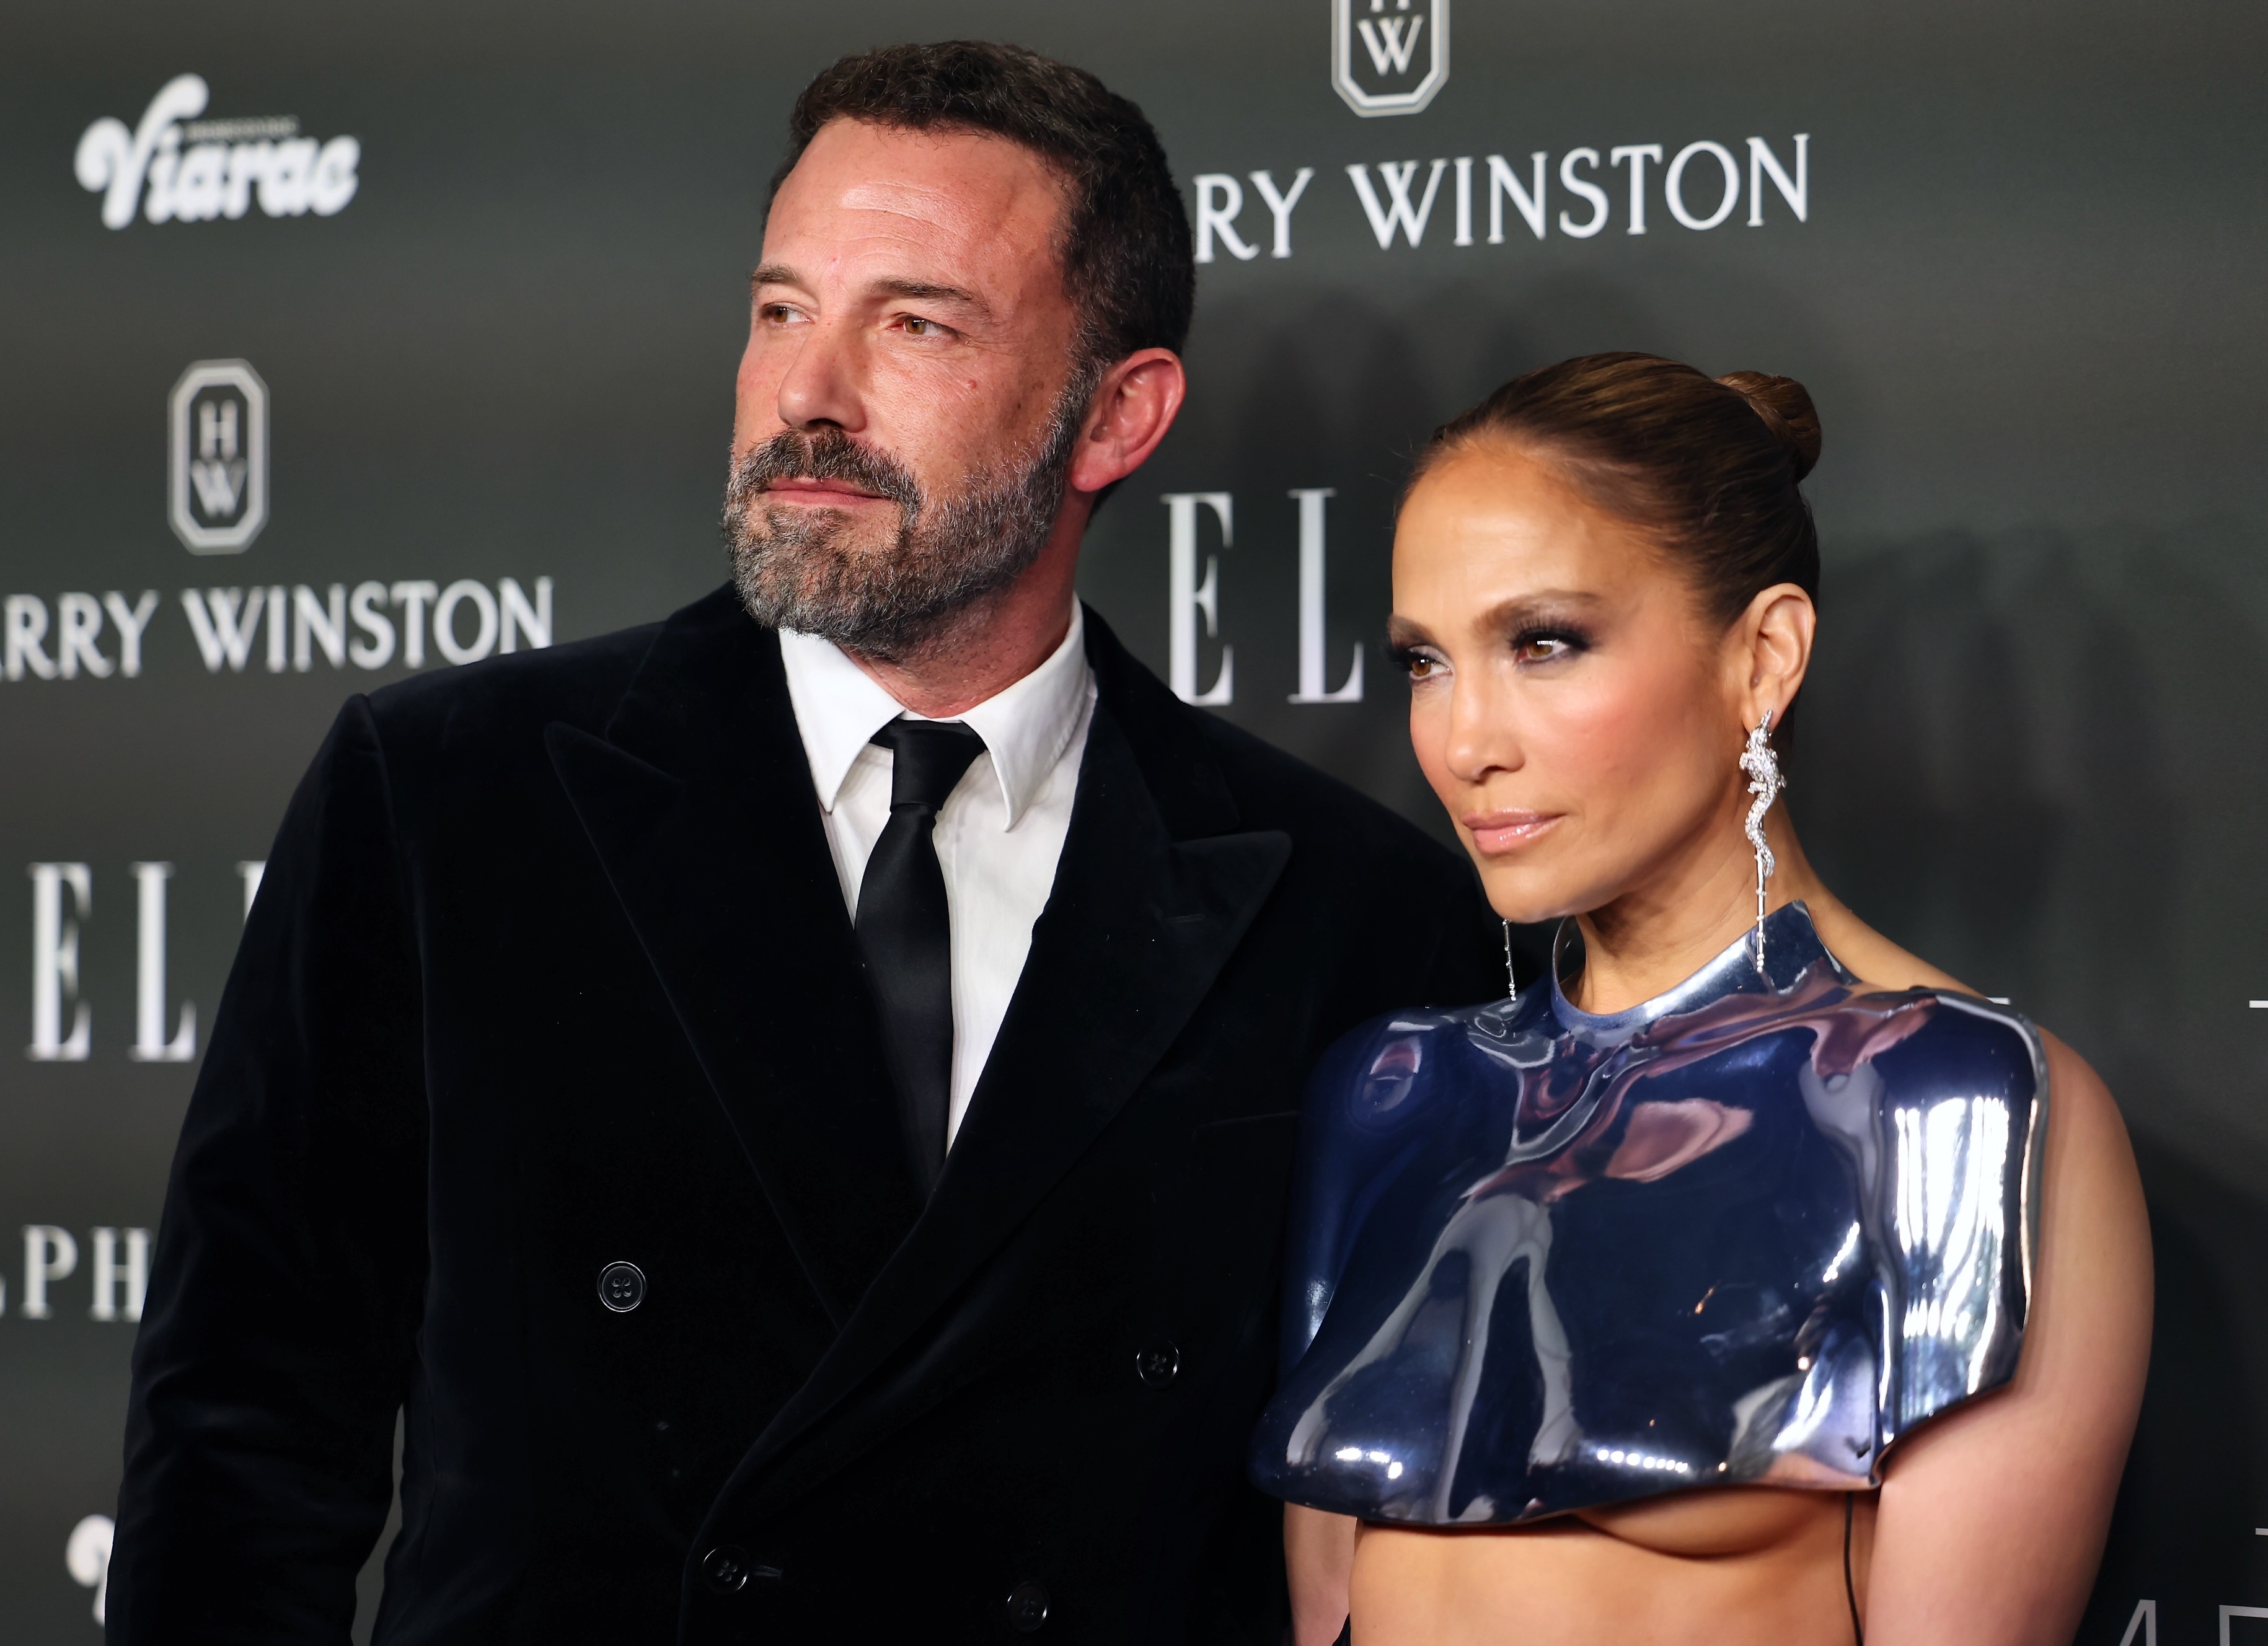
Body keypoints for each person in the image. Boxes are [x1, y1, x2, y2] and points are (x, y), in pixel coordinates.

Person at [105, 41, 1500, 1645]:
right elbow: (243, 1442)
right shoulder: (448, 801)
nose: (807, 397)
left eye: (914, 323)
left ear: (1117, 417)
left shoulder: (1348, 910)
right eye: (781, 309)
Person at [1251, 354, 2151, 1646]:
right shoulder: (1390, 1091)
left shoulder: (1953, 1106)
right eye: (1424, 662)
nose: (1463, 739)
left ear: (1764, 655)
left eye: (1542, 643)